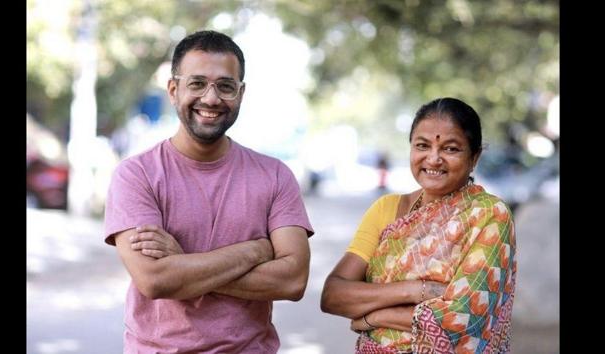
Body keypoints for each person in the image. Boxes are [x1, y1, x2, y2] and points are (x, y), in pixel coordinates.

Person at [104, 30, 314, 353]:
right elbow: (155, 280)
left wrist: (183, 264)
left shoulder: (275, 176)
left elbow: (293, 280)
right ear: (174, 90)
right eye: (197, 83)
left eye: (225, 86)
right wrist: (255, 252)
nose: (212, 98)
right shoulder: (137, 175)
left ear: (241, 94)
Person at [321, 97, 516, 353]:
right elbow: (333, 296)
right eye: (422, 145)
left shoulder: (489, 215)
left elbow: (466, 319)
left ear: (475, 157)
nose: (433, 159)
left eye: (451, 149)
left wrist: (373, 318)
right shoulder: (386, 209)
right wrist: (416, 291)